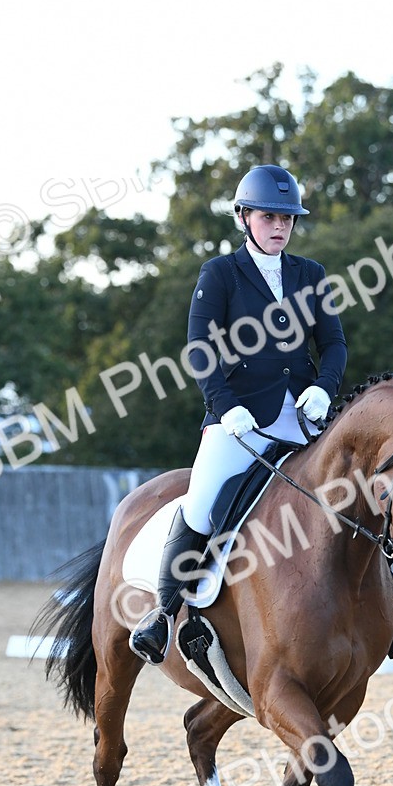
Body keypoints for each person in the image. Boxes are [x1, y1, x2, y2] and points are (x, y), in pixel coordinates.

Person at [130, 164, 348, 664]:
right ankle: (163, 615)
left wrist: (323, 386)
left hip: (302, 415)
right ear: (245, 217)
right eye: (270, 217)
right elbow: (200, 349)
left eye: (288, 219)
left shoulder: (310, 274)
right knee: (203, 501)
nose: (280, 227)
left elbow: (333, 341)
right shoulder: (221, 274)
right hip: (238, 420)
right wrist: (224, 408)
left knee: (352, 494)